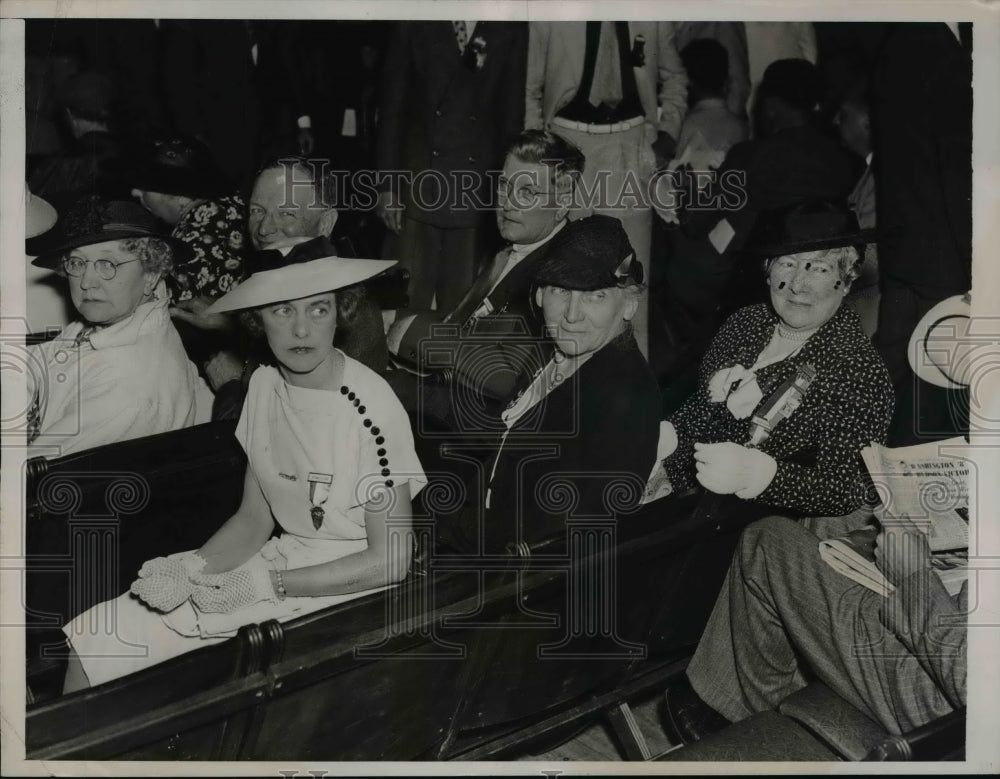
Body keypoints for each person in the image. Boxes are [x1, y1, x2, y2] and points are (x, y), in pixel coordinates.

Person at [62, 237, 425, 692]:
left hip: (348, 589)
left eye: (318, 309)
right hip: (281, 560)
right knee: (104, 632)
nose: (301, 331)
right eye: (282, 311)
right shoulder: (265, 386)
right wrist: (193, 566)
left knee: (186, 670)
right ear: (258, 321)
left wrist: (270, 584)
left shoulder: (371, 407)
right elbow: (254, 520)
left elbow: (391, 560)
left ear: (340, 313)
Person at [662, 296, 980, 744]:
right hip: (962, 625)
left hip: (943, 706)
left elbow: (972, 681)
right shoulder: (750, 326)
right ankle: (778, 689)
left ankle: (743, 725)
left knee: (768, 543)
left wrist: (914, 580)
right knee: (840, 515)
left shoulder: (852, 362)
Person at [647, 201, 893, 519]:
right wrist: (670, 434)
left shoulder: (861, 372)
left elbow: (848, 488)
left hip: (735, 524)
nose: (796, 285)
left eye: (819, 269)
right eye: (787, 264)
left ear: (846, 281)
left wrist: (764, 477)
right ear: (767, 270)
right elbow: (700, 411)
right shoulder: (745, 323)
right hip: (668, 489)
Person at [437, 215, 661, 555]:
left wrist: (440, 530)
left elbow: (560, 536)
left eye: (594, 296)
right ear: (540, 295)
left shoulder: (624, 399)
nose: (572, 315)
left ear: (629, 303)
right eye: (560, 291)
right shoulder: (555, 357)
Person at [385, 130, 583, 425]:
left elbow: (510, 380)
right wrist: (390, 317)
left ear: (563, 204)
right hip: (454, 390)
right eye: (504, 185)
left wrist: (411, 332)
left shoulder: (558, 276)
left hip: (485, 423)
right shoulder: (513, 250)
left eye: (528, 192)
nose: (508, 203)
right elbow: (462, 322)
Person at [525, 21, 689, 357]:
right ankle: (558, 390)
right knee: (559, 277)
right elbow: (530, 88)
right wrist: (537, 161)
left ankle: (632, 394)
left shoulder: (651, 12)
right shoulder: (551, 13)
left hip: (630, 145)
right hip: (567, 144)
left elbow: (675, 77)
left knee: (630, 283)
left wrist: (668, 136)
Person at [191, 158, 391, 417]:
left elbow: (298, 429)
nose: (264, 229)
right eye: (257, 211)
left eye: (286, 213)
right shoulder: (283, 283)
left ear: (326, 224)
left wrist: (231, 386)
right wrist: (229, 323)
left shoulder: (347, 312)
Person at [25, 196, 212, 457]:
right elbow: (38, 364)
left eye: (107, 264)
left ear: (151, 274)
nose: (87, 282)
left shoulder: (127, 390)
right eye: (78, 263)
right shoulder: (104, 324)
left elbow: (27, 471)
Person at [376, 21, 528, 313]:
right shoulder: (414, 19)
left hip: (475, 188)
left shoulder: (510, 24)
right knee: (404, 306)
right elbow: (392, 107)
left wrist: (508, 190)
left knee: (462, 309)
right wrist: (387, 186)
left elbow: (511, 115)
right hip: (416, 187)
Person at [129, 136, 248, 368]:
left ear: (178, 194)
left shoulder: (185, 246)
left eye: (146, 186)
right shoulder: (236, 205)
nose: (135, 192)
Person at [834, 80, 879, 337]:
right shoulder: (870, 172)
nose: (835, 122)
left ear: (866, 121)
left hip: (870, 307)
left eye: (844, 115)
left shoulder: (882, 179)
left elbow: (871, 256)